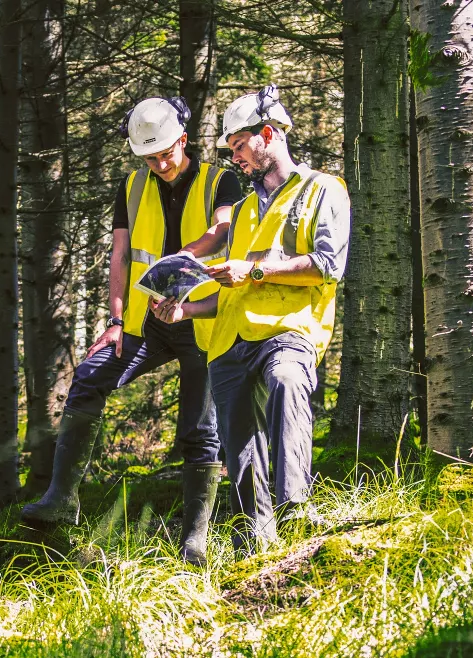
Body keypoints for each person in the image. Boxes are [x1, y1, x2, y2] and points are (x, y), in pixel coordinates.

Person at [22, 96, 245, 567]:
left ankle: (194, 541)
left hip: (201, 318)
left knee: (200, 431)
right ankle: (62, 500)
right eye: (150, 157)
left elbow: (224, 231)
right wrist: (116, 319)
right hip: (146, 322)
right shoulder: (131, 186)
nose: (160, 164)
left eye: (166, 153)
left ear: (183, 140)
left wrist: (181, 259)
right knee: (89, 377)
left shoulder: (219, 179)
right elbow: (119, 255)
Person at [153, 85, 351, 550]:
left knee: (285, 382)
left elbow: (327, 264)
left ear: (267, 135)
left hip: (289, 331)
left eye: (240, 146)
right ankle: (255, 542)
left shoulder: (323, 189)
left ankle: (296, 513)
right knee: (239, 448)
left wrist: (255, 268)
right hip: (228, 342)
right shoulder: (240, 212)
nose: (235, 158)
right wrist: (184, 309)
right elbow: (234, 291)